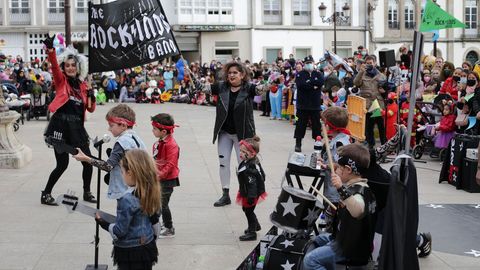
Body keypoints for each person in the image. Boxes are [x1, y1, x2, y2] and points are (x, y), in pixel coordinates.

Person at [41, 34, 96, 206]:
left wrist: (92, 97)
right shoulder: (61, 81)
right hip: (60, 127)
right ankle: (46, 194)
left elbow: (90, 108)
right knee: (62, 165)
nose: (71, 68)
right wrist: (51, 50)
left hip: (77, 129)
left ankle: (87, 192)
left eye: (74, 65)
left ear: (78, 67)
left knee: (88, 162)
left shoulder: (83, 86)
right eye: (68, 65)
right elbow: (55, 68)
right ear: (64, 67)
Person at [303, 143, 376, 269]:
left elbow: (358, 210)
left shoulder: (360, 193)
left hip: (351, 250)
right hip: (343, 240)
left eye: (339, 168)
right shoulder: (356, 187)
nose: (336, 170)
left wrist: (341, 189)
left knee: (310, 260)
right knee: (318, 239)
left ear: (348, 169)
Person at [94, 149, 160, 270]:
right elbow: (155, 222)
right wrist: (152, 239)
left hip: (130, 251)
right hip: (147, 246)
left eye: (122, 172)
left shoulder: (126, 199)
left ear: (130, 173)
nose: (122, 175)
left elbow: (120, 231)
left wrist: (103, 223)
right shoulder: (152, 191)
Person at [211, 61, 260, 207]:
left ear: (242, 75)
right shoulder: (221, 87)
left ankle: (246, 192)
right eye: (229, 73)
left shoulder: (249, 88)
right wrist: (192, 78)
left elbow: (264, 89)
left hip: (243, 134)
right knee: (223, 163)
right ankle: (225, 194)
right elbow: (200, 88)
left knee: (244, 165)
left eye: (235, 73)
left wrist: (273, 83)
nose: (231, 75)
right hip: (225, 132)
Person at [73, 104, 146, 200]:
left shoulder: (122, 142)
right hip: (138, 188)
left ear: (123, 125)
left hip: (125, 191)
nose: (109, 129)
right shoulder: (136, 138)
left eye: (111, 125)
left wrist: (86, 159)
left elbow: (107, 167)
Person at [320, 106, 351, 229]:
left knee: (332, 218)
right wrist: (325, 161)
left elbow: (340, 165)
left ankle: (330, 236)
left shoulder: (340, 143)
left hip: (335, 190)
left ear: (329, 126)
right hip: (333, 188)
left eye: (324, 123)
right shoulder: (340, 138)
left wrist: (326, 165)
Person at [151, 113, 180, 238]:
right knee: (159, 202)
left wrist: (159, 176)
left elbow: (171, 165)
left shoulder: (171, 145)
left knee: (162, 204)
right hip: (159, 177)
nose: (152, 131)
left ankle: (169, 227)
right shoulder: (161, 142)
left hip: (168, 180)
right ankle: (162, 224)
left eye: (154, 129)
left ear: (163, 131)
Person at [236, 135, 267, 241]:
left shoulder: (251, 168)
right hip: (247, 191)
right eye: (240, 151)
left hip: (251, 193)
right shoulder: (248, 162)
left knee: (248, 211)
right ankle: (255, 225)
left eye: (243, 151)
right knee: (246, 209)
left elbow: (252, 183)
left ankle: (252, 232)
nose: (240, 153)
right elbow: (263, 175)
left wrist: (251, 196)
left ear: (252, 154)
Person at [353, 55, 387, 149]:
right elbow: (356, 83)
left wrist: (384, 90)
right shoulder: (362, 74)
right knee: (369, 126)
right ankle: (371, 145)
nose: (369, 65)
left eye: (370, 63)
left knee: (380, 125)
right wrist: (361, 71)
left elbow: (386, 88)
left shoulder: (381, 75)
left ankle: (384, 144)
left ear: (375, 63)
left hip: (377, 104)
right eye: (367, 63)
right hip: (367, 105)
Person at [294, 55, 324, 152]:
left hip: (315, 106)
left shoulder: (318, 73)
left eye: (310, 62)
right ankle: (298, 143)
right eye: (307, 63)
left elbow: (320, 82)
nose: (309, 64)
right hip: (302, 106)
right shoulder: (300, 74)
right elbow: (302, 85)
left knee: (316, 126)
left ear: (313, 63)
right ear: (304, 64)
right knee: (300, 125)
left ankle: (318, 143)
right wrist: (313, 85)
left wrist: (309, 84)